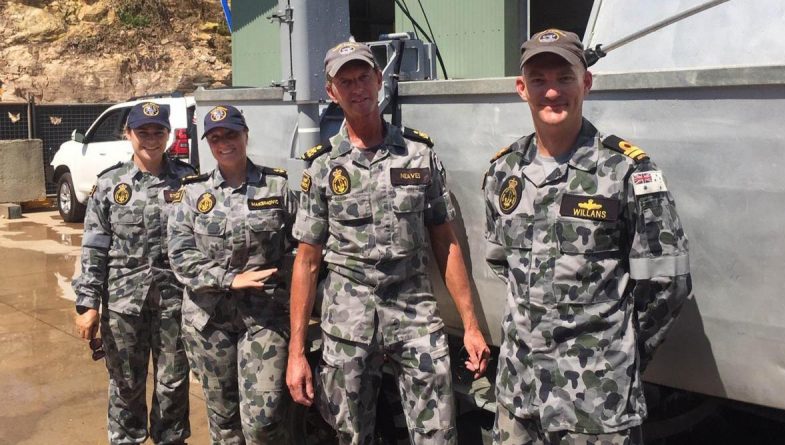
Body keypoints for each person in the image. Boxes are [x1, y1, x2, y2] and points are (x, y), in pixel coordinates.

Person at [483, 29, 692, 444]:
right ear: (522, 89)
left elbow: (668, 283)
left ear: (587, 83)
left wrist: (617, 354)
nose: (552, 91)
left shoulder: (626, 172)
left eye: (564, 77)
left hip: (596, 404)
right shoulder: (503, 172)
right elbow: (501, 263)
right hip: (517, 397)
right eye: (539, 80)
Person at [286, 41, 491, 445]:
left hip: (414, 312)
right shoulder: (323, 165)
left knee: (438, 434)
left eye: (364, 76)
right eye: (346, 81)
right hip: (348, 320)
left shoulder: (418, 154)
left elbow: (445, 241)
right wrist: (296, 353)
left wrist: (471, 326)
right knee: (351, 435)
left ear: (379, 80)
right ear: (332, 92)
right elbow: (307, 262)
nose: (357, 87)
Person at [167, 104, 294, 443]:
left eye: (231, 134)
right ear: (208, 143)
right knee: (223, 420)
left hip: (263, 319)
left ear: (245, 135)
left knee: (263, 419)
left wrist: (287, 286)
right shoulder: (193, 192)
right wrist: (228, 279)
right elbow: (179, 254)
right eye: (215, 138)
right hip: (209, 322)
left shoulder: (276, 187)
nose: (224, 143)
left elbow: (301, 246)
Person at [73, 101, 194, 444]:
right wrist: (88, 304)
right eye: (143, 132)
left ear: (169, 135)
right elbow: (94, 248)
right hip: (124, 306)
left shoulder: (189, 180)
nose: (151, 139)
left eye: (158, 132)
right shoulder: (110, 184)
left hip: (175, 304)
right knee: (126, 384)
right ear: (128, 134)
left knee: (173, 385)